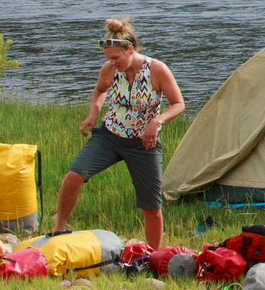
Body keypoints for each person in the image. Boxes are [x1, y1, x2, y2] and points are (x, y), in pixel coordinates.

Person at [53, 18, 185, 248]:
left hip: (143, 144)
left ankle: (153, 254)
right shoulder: (109, 70)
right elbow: (99, 90)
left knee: (151, 206)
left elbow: (178, 104)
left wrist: (157, 121)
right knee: (73, 176)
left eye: (116, 58)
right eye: (108, 59)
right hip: (109, 136)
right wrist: (93, 114)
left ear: (130, 50)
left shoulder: (157, 69)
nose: (113, 63)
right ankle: (58, 229)